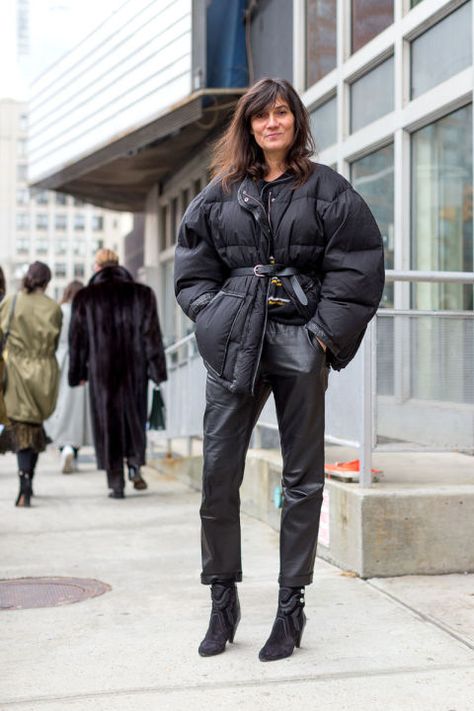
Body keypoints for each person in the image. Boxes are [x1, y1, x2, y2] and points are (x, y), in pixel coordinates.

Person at [174, 77, 385, 661]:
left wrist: (321, 337)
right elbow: (193, 271)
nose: (272, 123)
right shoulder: (219, 193)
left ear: (296, 121)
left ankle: (290, 607)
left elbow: (359, 265)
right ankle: (222, 600)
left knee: (302, 480)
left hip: (300, 339)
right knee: (218, 476)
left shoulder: (327, 189)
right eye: (261, 115)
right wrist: (214, 318)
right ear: (247, 125)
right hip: (234, 342)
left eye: (282, 113)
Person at [68, 249, 167, 498]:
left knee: (108, 421)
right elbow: (151, 336)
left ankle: (116, 483)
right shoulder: (142, 294)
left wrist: (77, 372)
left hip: (102, 371)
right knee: (133, 415)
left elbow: (77, 342)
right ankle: (134, 463)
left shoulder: (85, 298)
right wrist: (157, 370)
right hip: (135, 368)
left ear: (97, 267)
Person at [0, 261, 62, 507]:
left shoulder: (11, 302)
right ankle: (29, 481)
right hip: (45, 370)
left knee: (21, 426)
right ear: (47, 281)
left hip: (17, 369)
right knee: (34, 424)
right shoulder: (53, 307)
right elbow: (55, 341)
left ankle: (24, 483)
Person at [45, 280, 93, 473]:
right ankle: (72, 450)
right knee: (79, 410)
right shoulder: (85, 311)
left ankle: (64, 448)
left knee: (59, 407)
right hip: (81, 362)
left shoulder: (59, 310)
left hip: (59, 360)